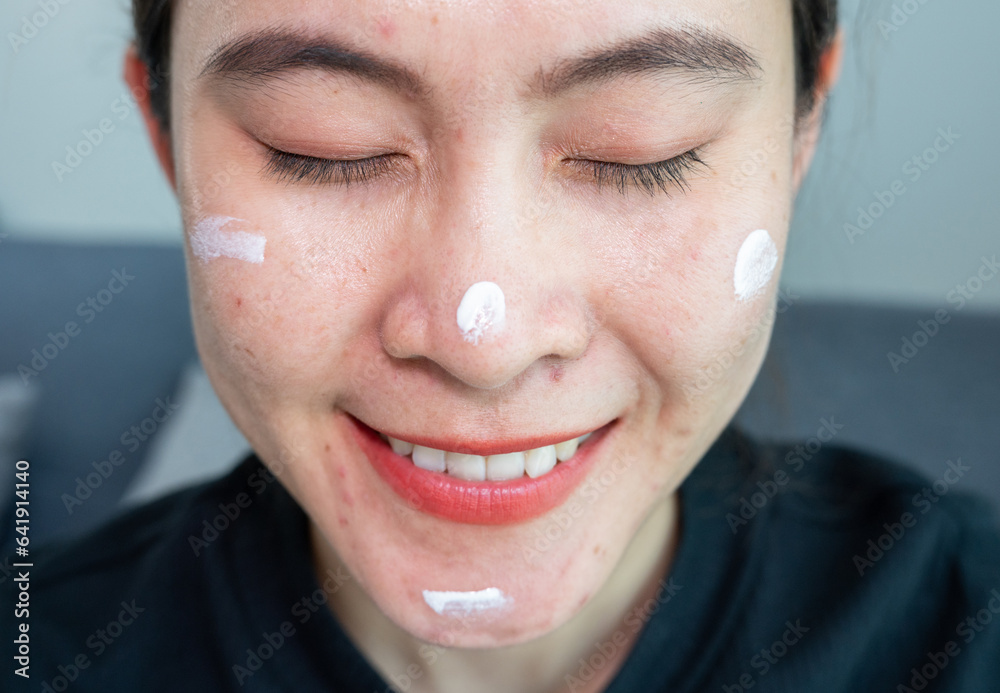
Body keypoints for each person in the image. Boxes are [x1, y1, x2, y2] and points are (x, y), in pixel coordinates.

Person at [5, 0, 1000, 691]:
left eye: (636, 147)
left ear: (799, 132)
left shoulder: (963, 631)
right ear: (165, 137)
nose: (483, 340)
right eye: (325, 144)